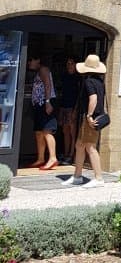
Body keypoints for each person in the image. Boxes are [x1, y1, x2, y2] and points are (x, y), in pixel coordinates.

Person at [62, 54, 107, 189]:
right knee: (80, 145)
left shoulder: (89, 82)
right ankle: (77, 176)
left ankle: (98, 178)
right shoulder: (100, 82)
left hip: (91, 118)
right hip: (93, 117)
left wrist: (89, 115)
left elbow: (93, 99)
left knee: (90, 147)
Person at [27, 55, 58, 170]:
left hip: (45, 103)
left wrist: (48, 102)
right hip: (39, 104)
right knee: (39, 132)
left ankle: (53, 158)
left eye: (31, 60)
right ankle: (40, 158)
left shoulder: (43, 69)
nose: (29, 63)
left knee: (47, 130)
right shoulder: (38, 72)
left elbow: (48, 85)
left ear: (38, 60)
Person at [58, 57, 80, 164]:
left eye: (71, 63)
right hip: (64, 106)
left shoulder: (78, 78)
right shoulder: (64, 76)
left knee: (72, 132)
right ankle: (66, 153)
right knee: (65, 131)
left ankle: (71, 155)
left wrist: (75, 110)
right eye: (68, 63)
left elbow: (79, 95)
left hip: (72, 107)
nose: (69, 66)